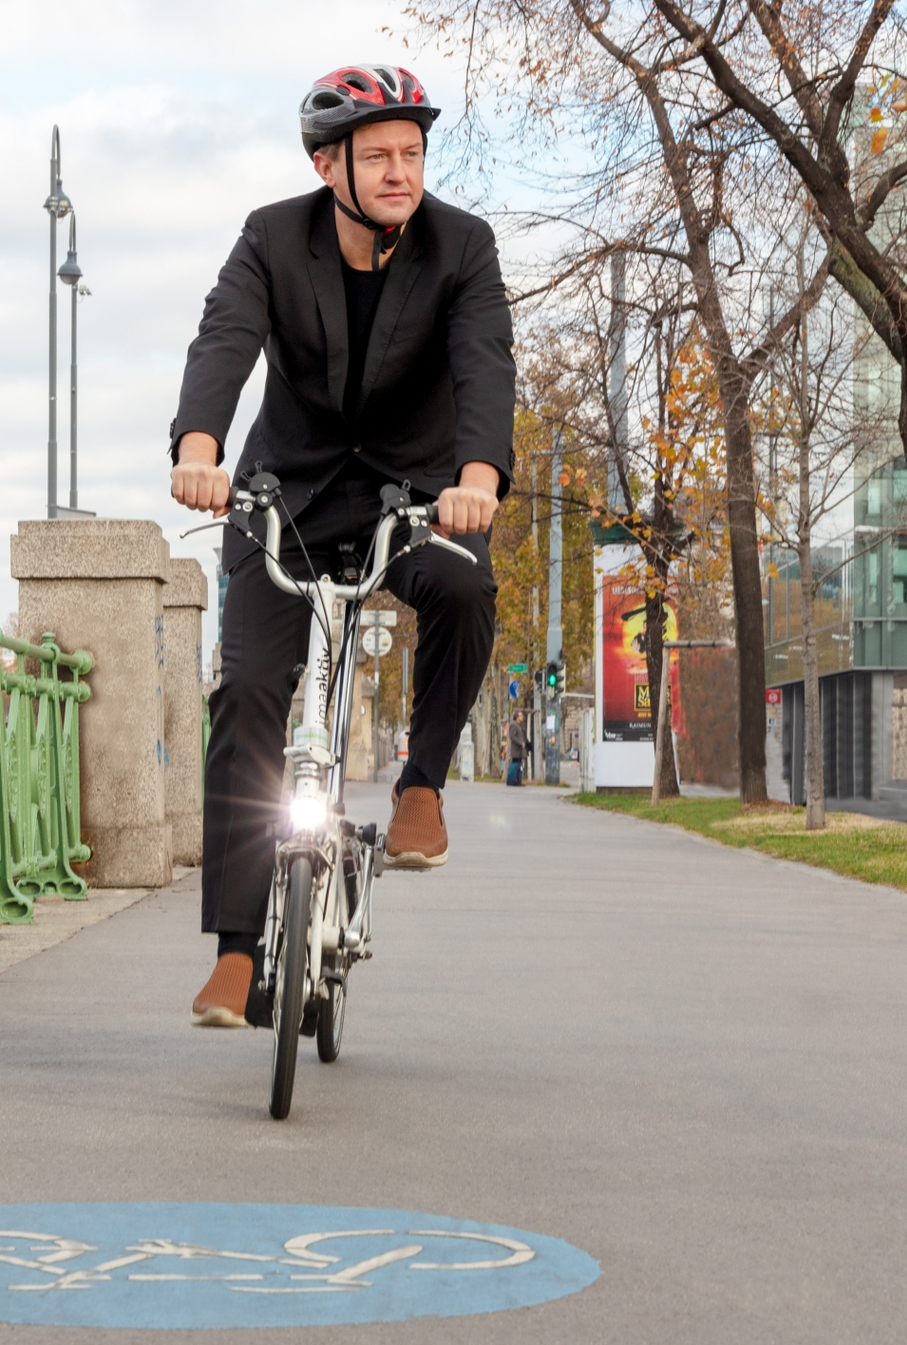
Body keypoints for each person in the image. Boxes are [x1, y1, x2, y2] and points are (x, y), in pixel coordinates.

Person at [168, 64, 515, 1027]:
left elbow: (485, 364)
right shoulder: (272, 238)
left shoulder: (463, 248)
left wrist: (478, 476)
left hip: (414, 498)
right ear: (331, 165)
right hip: (288, 495)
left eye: (413, 153)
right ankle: (238, 953)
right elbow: (224, 339)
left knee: (465, 590)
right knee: (245, 695)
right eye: (380, 156)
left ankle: (421, 787)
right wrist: (200, 448)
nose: (402, 171)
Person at [506, 710, 527, 786]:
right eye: (521, 716)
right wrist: (520, 743)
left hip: (520, 750)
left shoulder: (518, 725)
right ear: (517, 717)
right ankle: (513, 780)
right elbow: (512, 736)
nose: (522, 717)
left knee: (519, 765)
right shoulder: (513, 725)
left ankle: (517, 780)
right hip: (516, 750)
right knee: (515, 764)